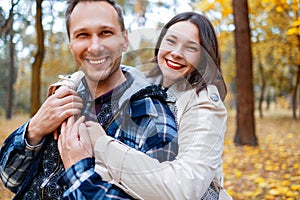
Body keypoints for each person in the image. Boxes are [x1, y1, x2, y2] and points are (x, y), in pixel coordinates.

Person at [0, 0, 178, 199]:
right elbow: (10, 178)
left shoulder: (151, 116)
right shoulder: (63, 97)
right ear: (70, 43)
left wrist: (80, 172)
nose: (95, 47)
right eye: (82, 35)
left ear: (125, 40)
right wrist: (34, 129)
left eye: (106, 33)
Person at [57, 12, 232, 199]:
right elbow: (103, 71)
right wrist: (64, 87)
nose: (176, 53)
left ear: (204, 57)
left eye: (191, 48)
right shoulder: (147, 80)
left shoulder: (204, 105)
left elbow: (184, 189)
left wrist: (102, 144)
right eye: (171, 41)